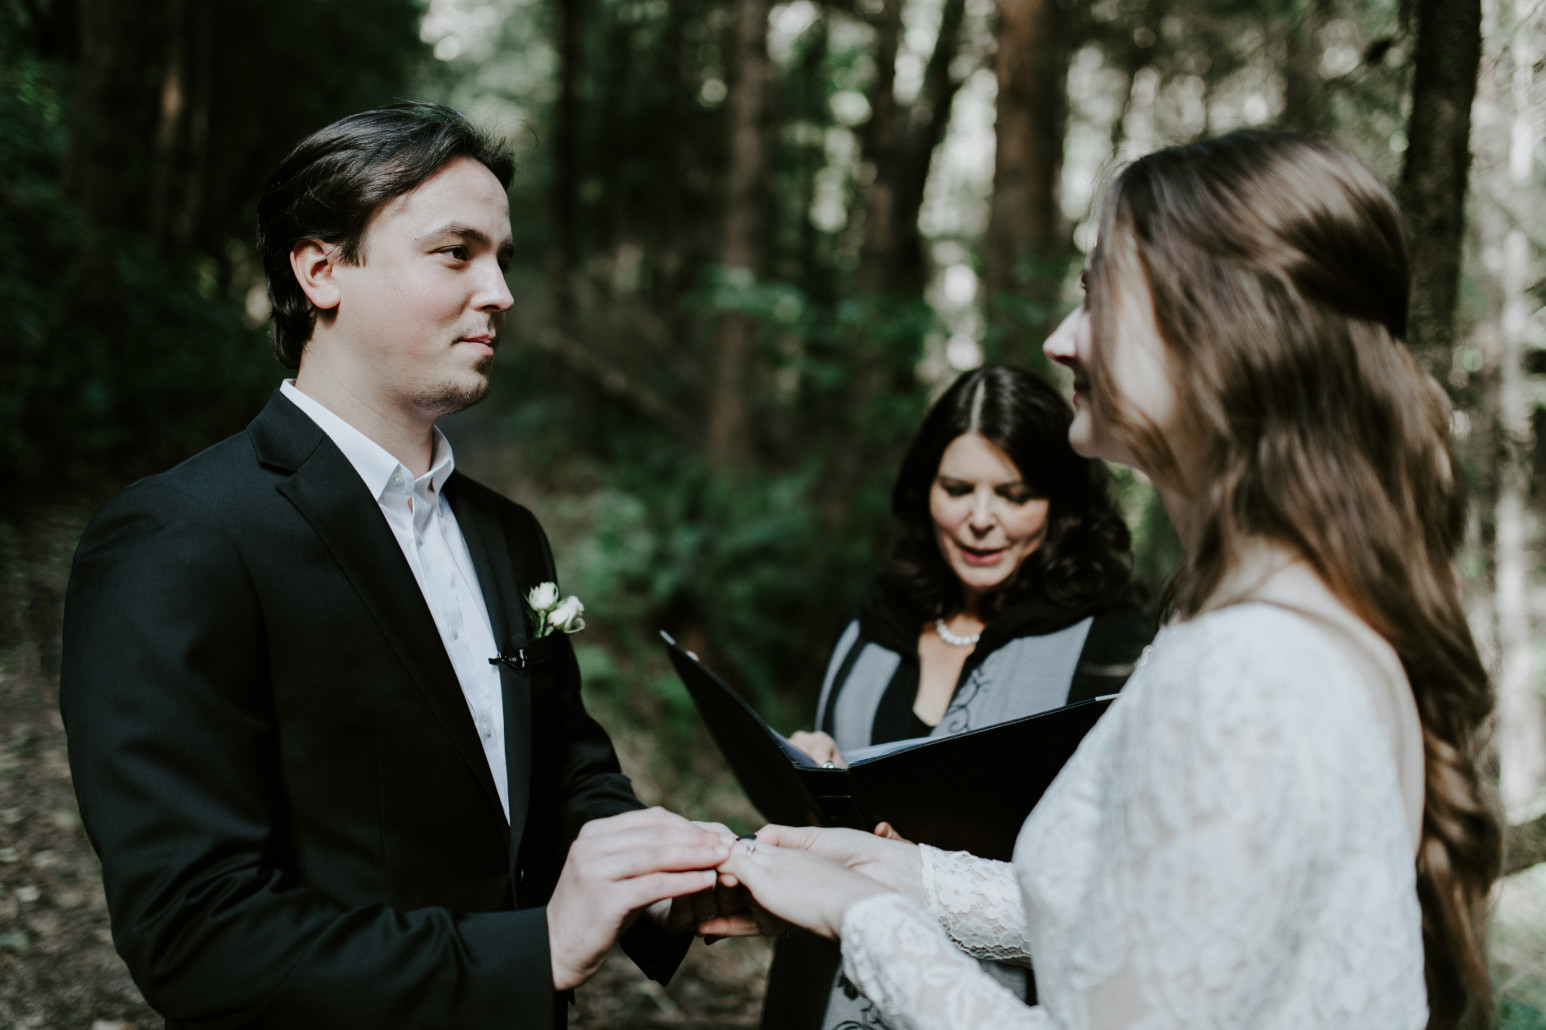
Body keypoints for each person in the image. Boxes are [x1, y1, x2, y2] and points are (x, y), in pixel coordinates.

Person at [705, 131, 1503, 1030]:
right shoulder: (1258, 621)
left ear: (1219, 331)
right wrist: (887, 871)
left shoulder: (1249, 667)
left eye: (1097, 296)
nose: (1059, 340)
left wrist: (861, 920)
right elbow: (1135, 925)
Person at [58, 102, 734, 1030]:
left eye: (502, 258)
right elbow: (195, 932)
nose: (499, 292)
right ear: (321, 269)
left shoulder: (509, 536)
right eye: (457, 253)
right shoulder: (180, 538)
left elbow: (565, 766)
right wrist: (529, 952)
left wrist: (671, 879)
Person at [769, 365, 1152, 1030]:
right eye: (958, 489)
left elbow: (1124, 869)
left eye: (1014, 494)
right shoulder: (879, 613)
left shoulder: (1110, 641)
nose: (981, 519)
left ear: (1060, 502)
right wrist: (810, 762)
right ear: (926, 491)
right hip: (823, 975)